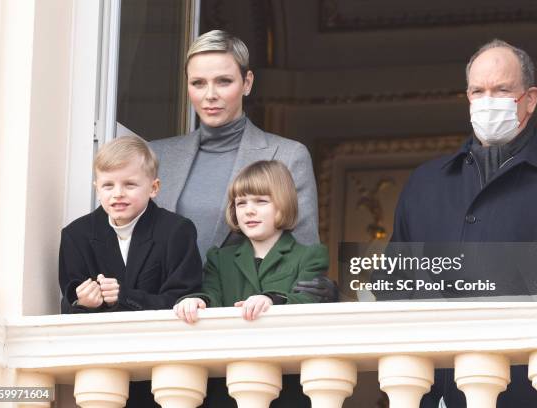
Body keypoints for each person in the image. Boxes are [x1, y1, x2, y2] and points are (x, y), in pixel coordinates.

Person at [379, 39, 537, 408]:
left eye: (502, 90)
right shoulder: (426, 183)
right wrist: (340, 287)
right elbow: (393, 283)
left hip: (526, 392)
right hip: (434, 390)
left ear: (530, 99)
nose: (488, 101)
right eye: (478, 91)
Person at [150, 30, 336, 302]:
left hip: (247, 318)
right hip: (165, 317)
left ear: (247, 83)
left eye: (223, 81)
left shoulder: (287, 155)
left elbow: (303, 254)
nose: (210, 95)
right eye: (198, 83)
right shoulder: (157, 155)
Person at [58, 135, 202, 407]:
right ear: (96, 188)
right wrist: (82, 302)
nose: (118, 193)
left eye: (130, 184)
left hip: (163, 363)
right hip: (100, 365)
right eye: (108, 185)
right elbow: (68, 304)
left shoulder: (177, 231)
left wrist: (124, 296)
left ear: (154, 187)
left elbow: (185, 298)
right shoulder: (75, 235)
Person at [175, 160, 328, 407]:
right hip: (227, 384)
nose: (249, 210)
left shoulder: (309, 255)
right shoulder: (219, 258)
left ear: (284, 204)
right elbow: (210, 293)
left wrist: (272, 299)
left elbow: (308, 299)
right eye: (241, 203)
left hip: (286, 385)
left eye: (261, 201)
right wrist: (197, 300)